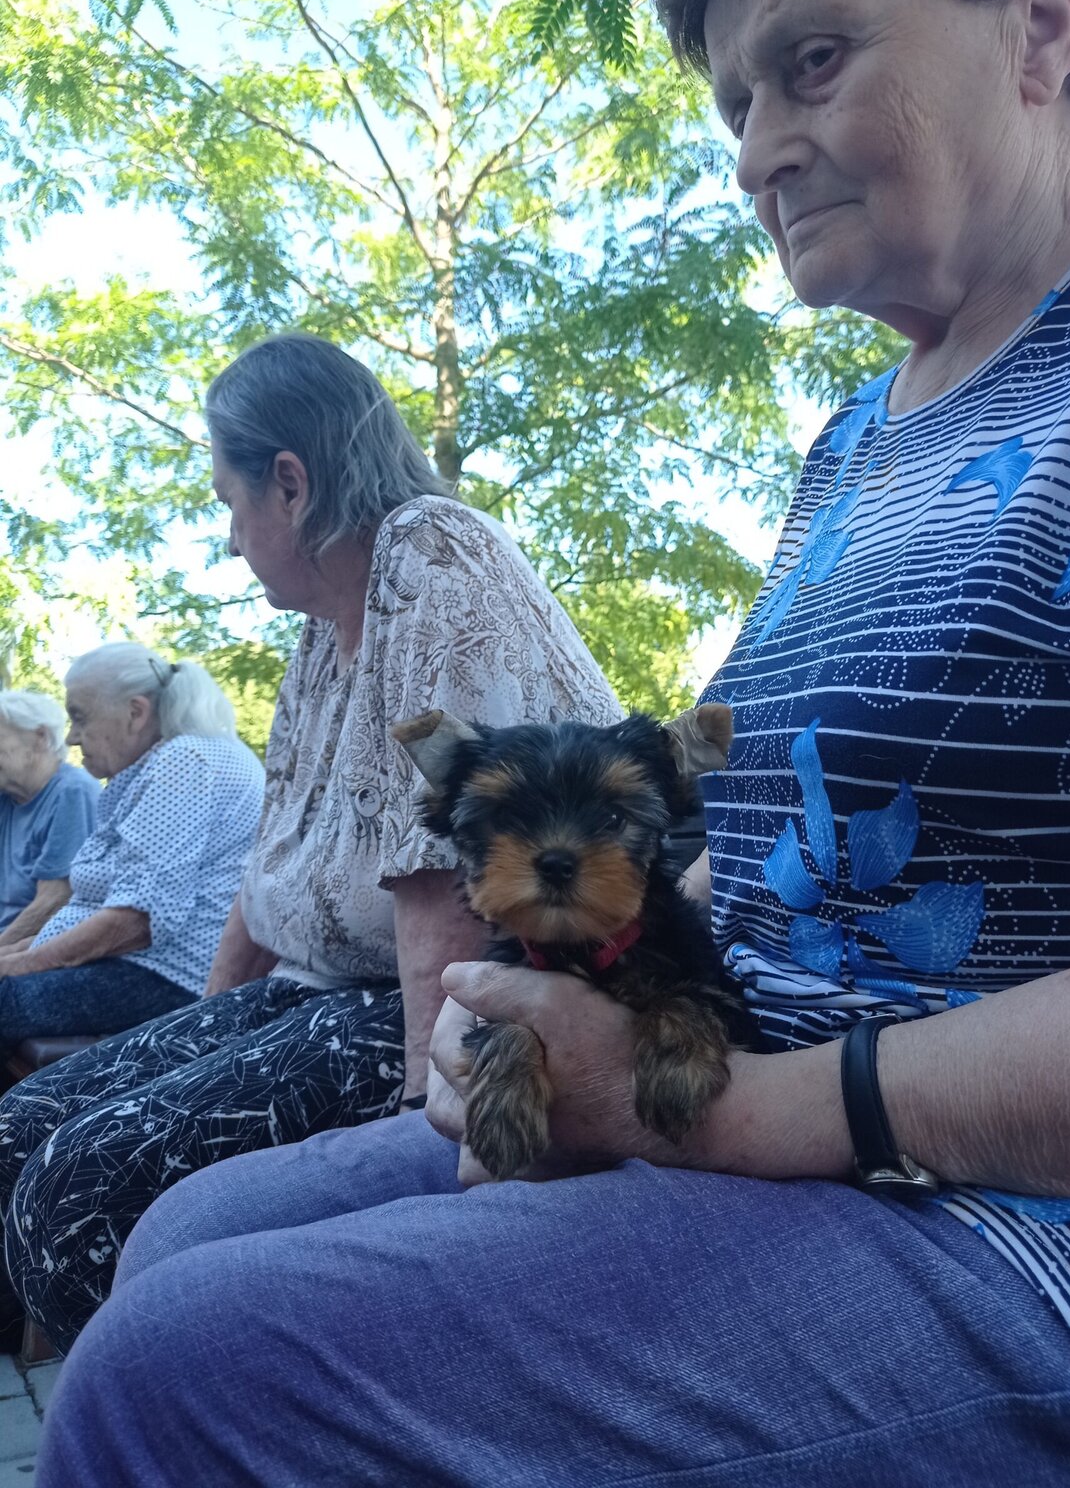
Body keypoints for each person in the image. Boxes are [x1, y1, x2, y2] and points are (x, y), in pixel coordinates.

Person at [34, 0, 1070, 1483]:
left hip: (1062, 1245)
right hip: (753, 1103)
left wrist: (722, 1114)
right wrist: (553, 996)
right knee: (181, 1234)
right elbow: (776, 848)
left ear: (1041, 26)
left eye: (814, 61)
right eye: (735, 103)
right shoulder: (862, 442)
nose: (757, 151)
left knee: (181, 1380)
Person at [0, 331, 619, 1356]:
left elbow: (443, 877)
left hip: (446, 1006)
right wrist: (198, 1033)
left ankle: (180, 1397)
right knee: (19, 1130)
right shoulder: (322, 631)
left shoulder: (429, 552)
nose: (228, 539)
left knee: (75, 1203)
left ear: (289, 483)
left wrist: (424, 1118)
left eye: (228, 502)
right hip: (318, 990)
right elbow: (271, 865)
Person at [0, 644, 262, 1053]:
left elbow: (134, 921)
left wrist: (17, 965)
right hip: (134, 966)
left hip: (164, 976)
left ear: (136, 713)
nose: (70, 737)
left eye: (79, 717)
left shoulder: (185, 762)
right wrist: (15, 955)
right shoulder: (169, 762)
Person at [0, 690, 99, 944]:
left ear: (40, 737)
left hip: (33, 947)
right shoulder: (6, 795)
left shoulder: (72, 793)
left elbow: (54, 901)